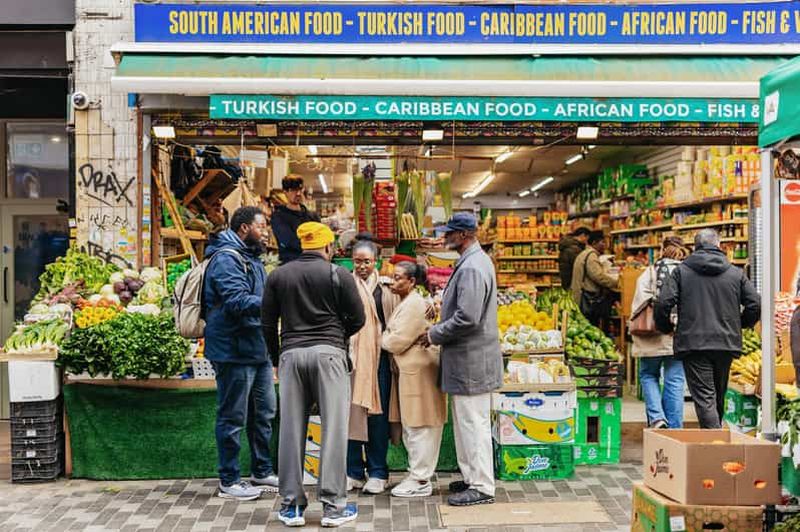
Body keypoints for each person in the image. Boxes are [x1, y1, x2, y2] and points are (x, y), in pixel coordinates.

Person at [262, 221, 366, 528]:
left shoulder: (278, 276)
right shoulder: (338, 274)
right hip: (330, 356)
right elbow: (358, 319)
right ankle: (334, 508)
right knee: (333, 430)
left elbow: (267, 324)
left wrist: (276, 358)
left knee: (291, 430)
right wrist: (337, 338)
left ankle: (292, 506)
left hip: (291, 355)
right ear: (328, 247)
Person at [422, 212, 503, 507]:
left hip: (472, 361)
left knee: (474, 423)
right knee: (466, 422)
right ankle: (472, 477)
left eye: (451, 233)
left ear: (465, 235)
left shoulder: (472, 267)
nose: (446, 237)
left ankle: (482, 486)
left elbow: (468, 317)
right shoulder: (472, 262)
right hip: (468, 359)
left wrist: (434, 334)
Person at [203, 206, 277, 501]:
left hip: (256, 349)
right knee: (232, 416)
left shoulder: (251, 258)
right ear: (244, 228)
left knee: (265, 412)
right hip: (233, 350)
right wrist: (277, 300)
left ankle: (261, 470)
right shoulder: (225, 259)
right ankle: (229, 480)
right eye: (262, 226)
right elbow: (236, 301)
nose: (266, 231)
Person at [655, 228, 761, 429]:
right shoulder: (735, 273)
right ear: (718, 246)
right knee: (717, 396)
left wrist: (666, 326)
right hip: (726, 342)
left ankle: (715, 443)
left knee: (705, 398)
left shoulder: (681, 272)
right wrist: (741, 323)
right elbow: (755, 303)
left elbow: (663, 303)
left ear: (695, 247)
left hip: (693, 342)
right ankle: (715, 441)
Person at [384, 262, 447, 498]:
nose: (393, 281)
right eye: (393, 277)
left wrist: (383, 337)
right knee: (415, 424)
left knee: (421, 425)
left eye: (399, 278)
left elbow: (395, 342)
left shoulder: (414, 305)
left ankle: (420, 479)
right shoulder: (410, 302)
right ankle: (417, 475)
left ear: (411, 282)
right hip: (414, 372)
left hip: (419, 372)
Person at [346, 238, 398, 495]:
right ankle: (353, 471)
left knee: (377, 417)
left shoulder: (387, 289)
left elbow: (397, 320)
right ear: (351, 260)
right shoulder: (344, 285)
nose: (362, 266)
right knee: (351, 415)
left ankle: (378, 471)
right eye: (358, 261)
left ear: (376, 261)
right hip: (352, 361)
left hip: (379, 361)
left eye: (367, 261)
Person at [631, 237, 689, 430]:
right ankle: (675, 428)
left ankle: (657, 418)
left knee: (649, 375)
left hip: (652, 334)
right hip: (679, 334)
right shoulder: (687, 273)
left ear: (662, 250)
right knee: (675, 379)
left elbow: (639, 301)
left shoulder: (650, 272)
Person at [571, 231, 619, 326]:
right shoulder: (591, 256)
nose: (605, 245)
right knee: (591, 324)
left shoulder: (584, 254)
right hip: (587, 298)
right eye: (602, 242)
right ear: (594, 243)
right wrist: (616, 283)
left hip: (581, 295)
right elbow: (599, 276)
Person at [271, 175, 321, 265]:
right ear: (285, 192)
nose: (298, 193)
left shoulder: (312, 216)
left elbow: (321, 238)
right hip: (291, 266)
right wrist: (312, 243)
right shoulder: (278, 217)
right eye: (293, 190)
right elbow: (289, 241)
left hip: (314, 264)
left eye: (300, 190)